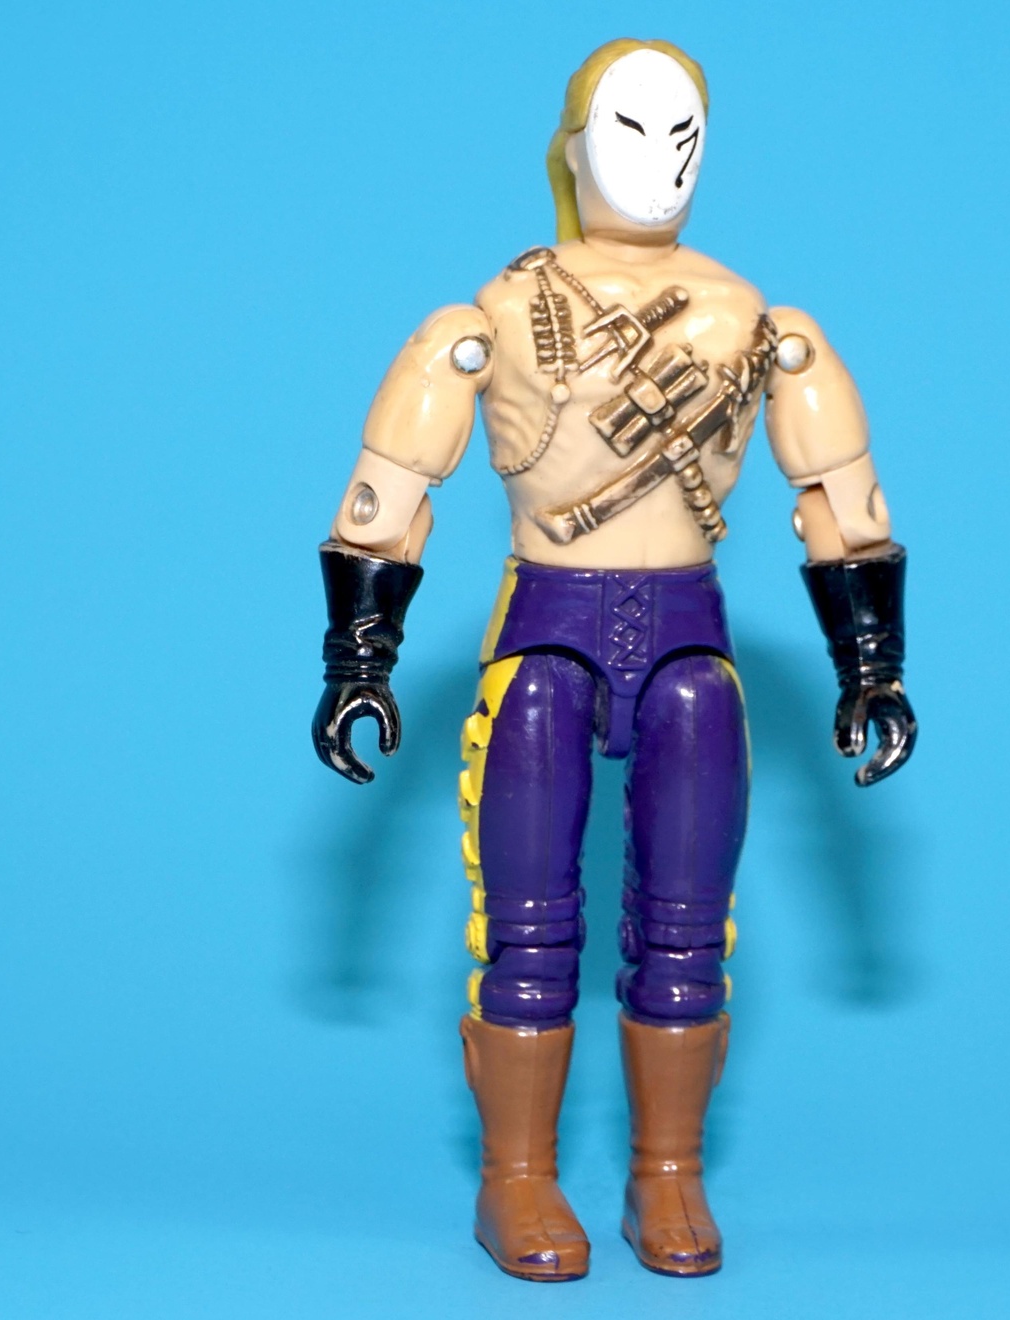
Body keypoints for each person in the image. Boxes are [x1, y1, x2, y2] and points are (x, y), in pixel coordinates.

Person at [311, 38, 916, 1281]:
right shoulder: (494, 315)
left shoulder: (755, 321)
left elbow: (840, 498)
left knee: (688, 926)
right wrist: (360, 653)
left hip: (690, 638)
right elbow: (391, 486)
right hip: (547, 633)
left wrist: (871, 661)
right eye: (633, 131)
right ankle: (517, 1177)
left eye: (687, 135)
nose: (662, 161)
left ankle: (668, 1173)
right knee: (527, 923)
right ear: (574, 148)